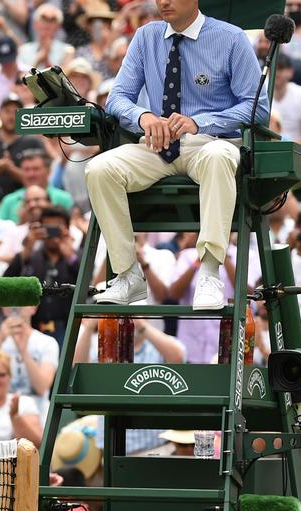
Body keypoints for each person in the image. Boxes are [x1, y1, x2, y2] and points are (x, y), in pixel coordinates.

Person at [89, 0, 264, 311]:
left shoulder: (232, 38)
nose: (164, 2)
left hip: (209, 143)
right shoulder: (146, 36)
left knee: (218, 156)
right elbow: (117, 98)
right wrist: (143, 117)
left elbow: (257, 107)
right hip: (158, 146)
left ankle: (210, 272)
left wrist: (200, 122)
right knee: (99, 169)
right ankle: (128, 274)